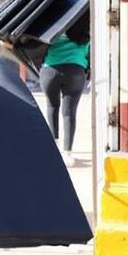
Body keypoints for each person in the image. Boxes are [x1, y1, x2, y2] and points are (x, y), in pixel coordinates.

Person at [39, 13, 90, 166]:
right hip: (75, 72)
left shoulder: (50, 35)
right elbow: (87, 56)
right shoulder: (84, 37)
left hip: (50, 72)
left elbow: (38, 52)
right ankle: (67, 154)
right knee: (69, 113)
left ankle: (53, 151)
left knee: (52, 107)